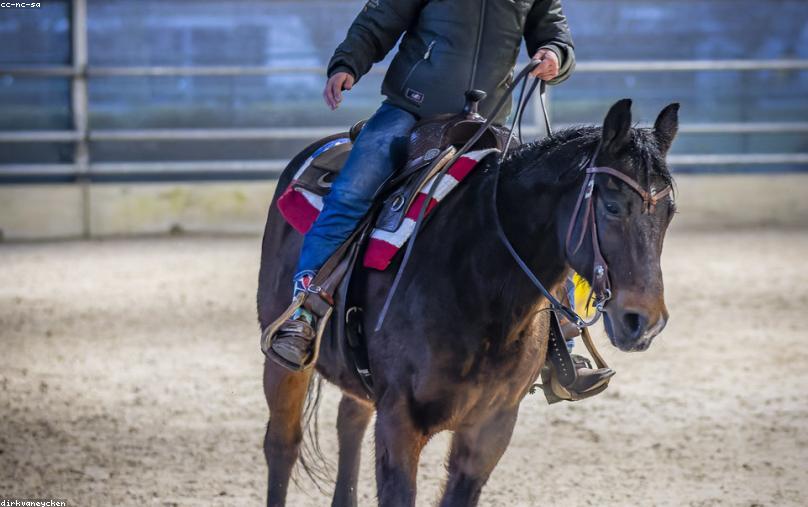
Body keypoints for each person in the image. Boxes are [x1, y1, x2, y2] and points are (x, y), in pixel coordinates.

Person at [270, 0, 613, 397]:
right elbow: (380, 18)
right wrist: (348, 63)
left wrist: (555, 55)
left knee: (537, 211)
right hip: (411, 110)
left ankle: (560, 344)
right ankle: (304, 313)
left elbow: (554, 33)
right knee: (352, 192)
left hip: (488, 120)